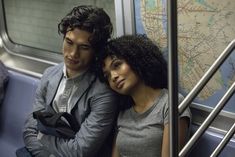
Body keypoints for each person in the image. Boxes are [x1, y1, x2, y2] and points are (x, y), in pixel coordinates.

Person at [23, 5, 119, 157]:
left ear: (96, 51)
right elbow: (29, 131)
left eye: (84, 47)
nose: (73, 54)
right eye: (69, 42)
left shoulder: (104, 93)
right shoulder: (49, 75)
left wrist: (42, 138)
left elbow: (80, 151)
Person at [98, 35, 191, 157]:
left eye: (117, 65)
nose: (113, 77)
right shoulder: (123, 113)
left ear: (136, 59)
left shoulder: (170, 103)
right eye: (107, 76)